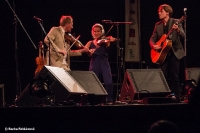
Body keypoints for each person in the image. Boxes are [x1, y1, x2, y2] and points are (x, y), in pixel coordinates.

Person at [149, 4, 185, 100]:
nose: (159, 13)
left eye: (161, 11)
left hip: (175, 52)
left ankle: (177, 96)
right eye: (158, 11)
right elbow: (152, 39)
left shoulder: (176, 22)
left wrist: (177, 30)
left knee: (174, 75)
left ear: (167, 12)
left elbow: (183, 35)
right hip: (162, 54)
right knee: (162, 76)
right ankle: (164, 96)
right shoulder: (158, 25)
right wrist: (154, 45)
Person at [85, 23, 116, 104]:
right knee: (93, 82)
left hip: (104, 62)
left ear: (102, 32)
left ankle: (109, 99)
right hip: (94, 62)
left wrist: (111, 40)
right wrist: (89, 51)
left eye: (98, 31)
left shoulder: (105, 40)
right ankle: (94, 100)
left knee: (108, 82)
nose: (96, 33)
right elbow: (85, 50)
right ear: (92, 32)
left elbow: (108, 42)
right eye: (94, 31)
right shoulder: (90, 42)